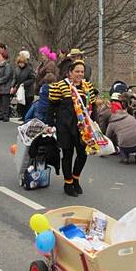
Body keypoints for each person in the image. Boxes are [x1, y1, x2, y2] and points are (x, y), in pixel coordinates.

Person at [48, 60, 97, 197]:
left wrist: (95, 123)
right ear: (70, 72)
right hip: (65, 126)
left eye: (82, 71)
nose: (80, 74)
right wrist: (49, 123)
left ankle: (76, 179)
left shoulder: (87, 87)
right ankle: (68, 182)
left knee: (83, 154)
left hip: (83, 128)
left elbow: (93, 107)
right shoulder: (61, 86)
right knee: (67, 154)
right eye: (77, 71)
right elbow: (52, 105)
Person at [11, 53, 35, 122]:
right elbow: (15, 79)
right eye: (19, 63)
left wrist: (24, 84)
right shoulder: (17, 69)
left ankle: (27, 118)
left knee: (27, 105)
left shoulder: (29, 69)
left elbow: (32, 79)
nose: (21, 65)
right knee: (21, 105)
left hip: (28, 90)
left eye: (22, 63)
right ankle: (23, 116)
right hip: (20, 90)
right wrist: (12, 86)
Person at [0, 50, 13, 122]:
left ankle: (6, 116)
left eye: (0, 56)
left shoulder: (7, 65)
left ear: (3, 57)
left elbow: (7, 76)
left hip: (6, 86)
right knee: (1, 101)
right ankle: (2, 115)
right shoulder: (0, 65)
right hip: (0, 86)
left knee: (5, 102)